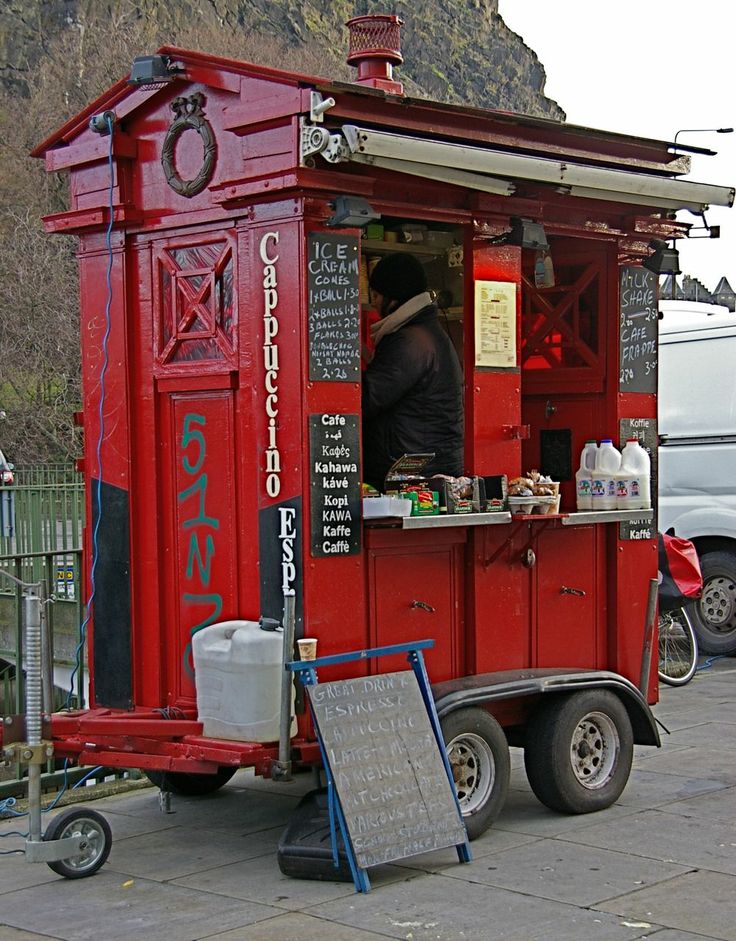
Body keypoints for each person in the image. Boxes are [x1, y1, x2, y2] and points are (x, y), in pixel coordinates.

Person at [361, 252, 464, 491]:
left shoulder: (409, 341)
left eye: (376, 295)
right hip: (429, 470)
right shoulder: (426, 333)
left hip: (413, 478)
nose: (374, 304)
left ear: (393, 298)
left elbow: (368, 397)